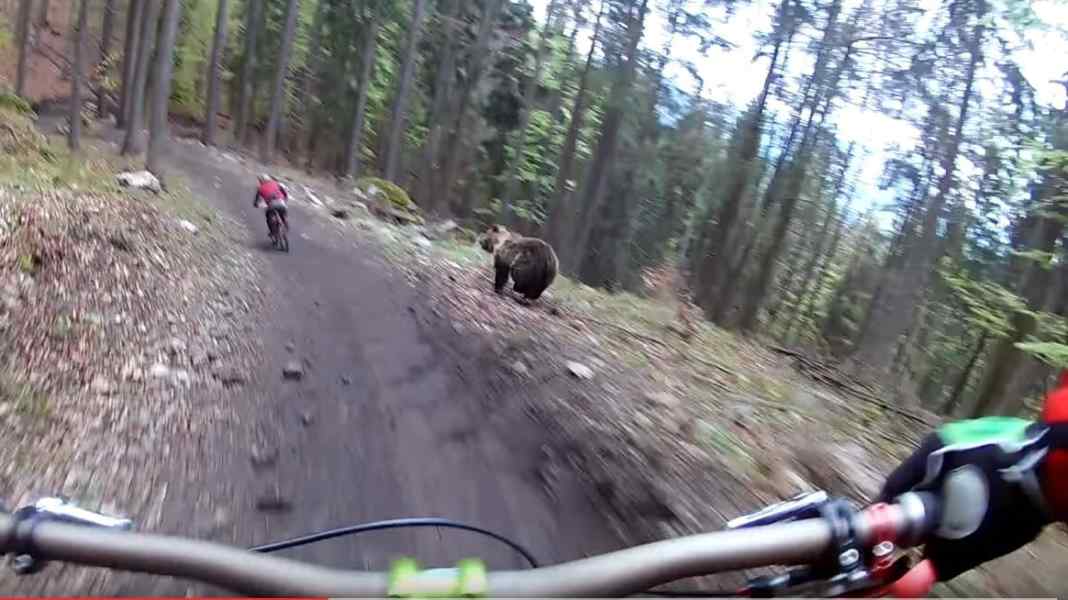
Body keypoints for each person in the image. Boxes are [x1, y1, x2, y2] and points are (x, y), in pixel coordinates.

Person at [878, 370, 1068, 588]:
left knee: (921, 569)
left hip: (1029, 504)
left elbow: (1007, 535)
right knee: (880, 519)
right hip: (974, 451)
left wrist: (937, 567)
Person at [253, 173, 289, 237]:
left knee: (268, 217)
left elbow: (256, 201)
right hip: (281, 202)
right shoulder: (276, 183)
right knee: (283, 214)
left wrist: (256, 205)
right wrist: (285, 198)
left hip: (271, 205)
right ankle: (285, 223)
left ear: (261, 181)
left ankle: (272, 232)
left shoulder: (260, 188)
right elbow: (284, 192)